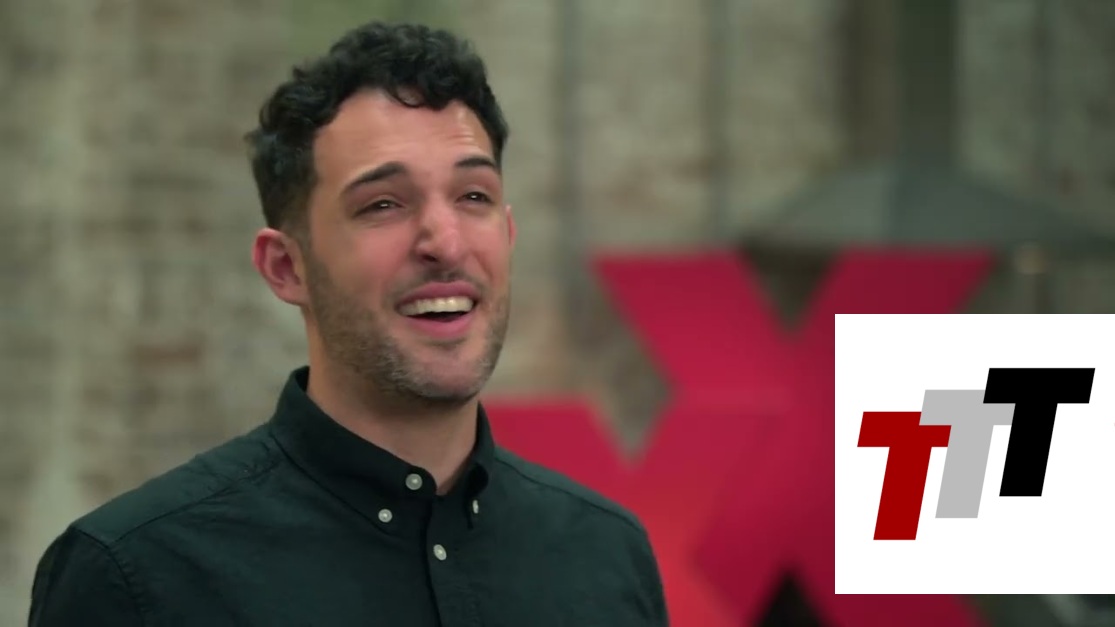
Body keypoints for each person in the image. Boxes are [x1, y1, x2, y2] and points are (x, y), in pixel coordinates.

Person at [27, 20, 668, 627]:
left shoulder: (606, 554)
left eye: (474, 196)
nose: (446, 243)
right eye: (383, 204)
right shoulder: (137, 574)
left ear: (508, 232)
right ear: (287, 267)